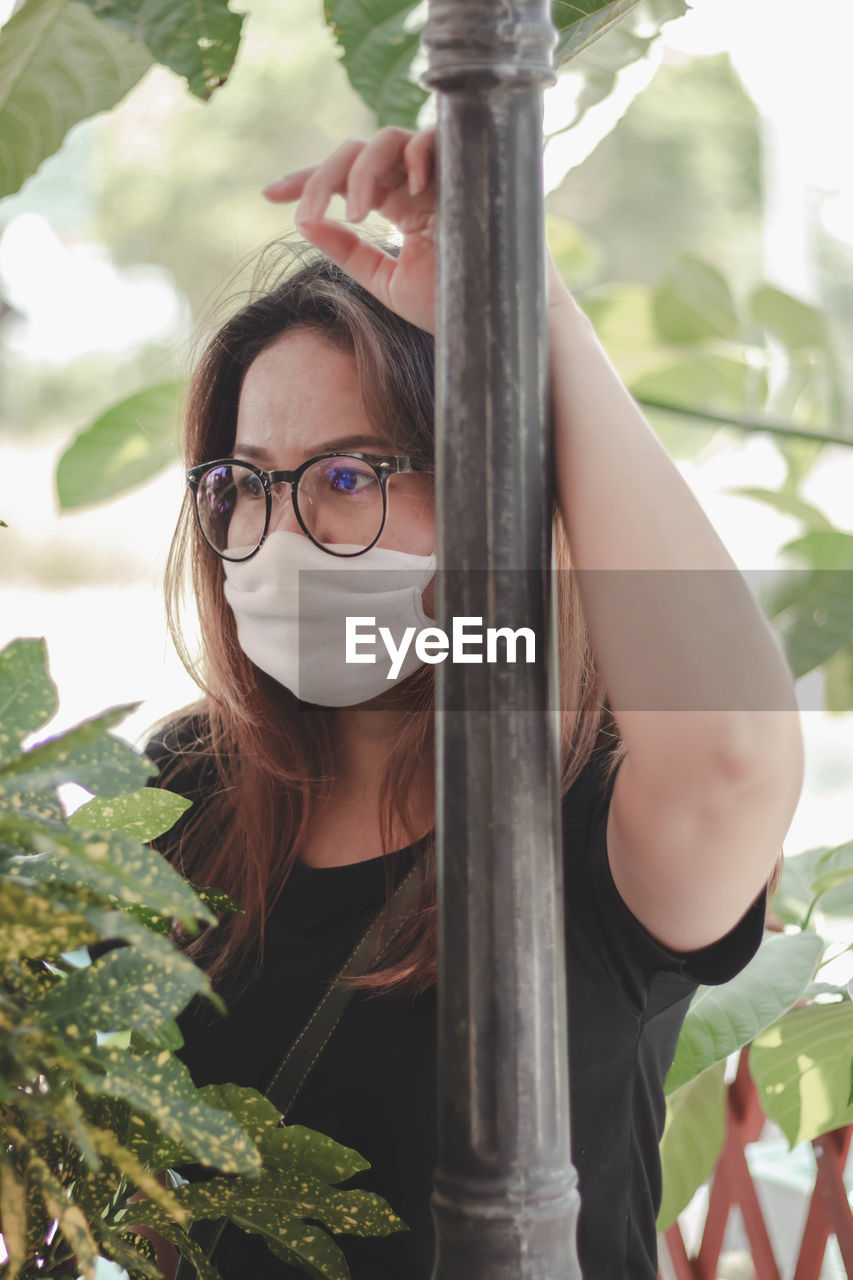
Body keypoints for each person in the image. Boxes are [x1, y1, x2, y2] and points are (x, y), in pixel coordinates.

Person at [143, 126, 803, 1279]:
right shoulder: (187, 784)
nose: (280, 532)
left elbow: (736, 756)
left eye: (349, 475)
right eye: (243, 483)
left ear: (488, 502)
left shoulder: (595, 817)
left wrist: (526, 307)